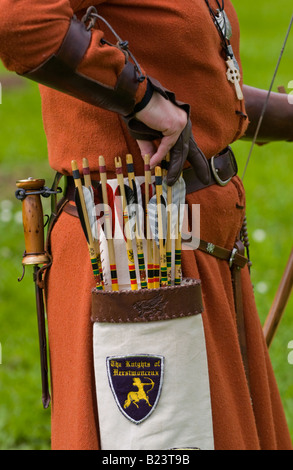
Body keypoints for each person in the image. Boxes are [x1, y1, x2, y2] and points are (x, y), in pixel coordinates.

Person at [0, 0, 292, 450]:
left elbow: (191, 90)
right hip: (135, 257)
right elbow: (19, 20)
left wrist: (287, 114)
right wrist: (142, 100)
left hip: (198, 248)